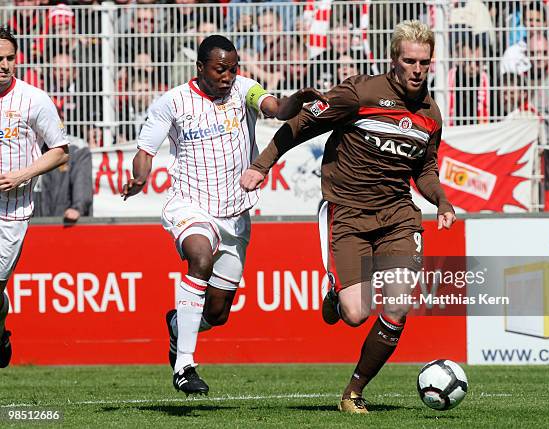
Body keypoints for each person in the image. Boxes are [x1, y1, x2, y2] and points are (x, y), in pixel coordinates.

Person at [240, 20, 456, 413]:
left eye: (424, 62)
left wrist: (441, 201)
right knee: (356, 314)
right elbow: (301, 125)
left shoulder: (431, 114)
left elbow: (425, 170)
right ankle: (337, 298)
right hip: (349, 214)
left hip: (398, 217)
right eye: (409, 61)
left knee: (397, 304)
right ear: (394, 60)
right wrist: (261, 165)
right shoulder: (360, 92)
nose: (417, 70)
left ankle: (353, 392)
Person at [120, 35, 326, 396]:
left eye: (232, 68)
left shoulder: (244, 89)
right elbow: (145, 150)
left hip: (235, 213)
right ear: (200, 68)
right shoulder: (172, 103)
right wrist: (139, 177)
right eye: (219, 69)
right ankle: (184, 364)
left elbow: (275, 108)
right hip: (190, 205)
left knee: (217, 314)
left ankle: (177, 326)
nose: (228, 76)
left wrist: (297, 100)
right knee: (199, 258)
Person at [0, 27, 70, 368]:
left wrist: (21, 175)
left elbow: (59, 152)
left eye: (10, 58)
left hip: (11, 212)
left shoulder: (34, 99)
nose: (4, 65)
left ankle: (0, 333)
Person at [33, 136, 93, 223]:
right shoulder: (27, 146)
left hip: (64, 222)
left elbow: (82, 183)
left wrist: (77, 208)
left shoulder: (76, 148)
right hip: (28, 225)